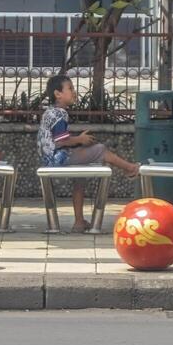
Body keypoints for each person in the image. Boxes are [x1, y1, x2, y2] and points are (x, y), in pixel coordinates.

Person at [37, 73, 138, 233]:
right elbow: (61, 141)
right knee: (100, 150)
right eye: (70, 88)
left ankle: (79, 222)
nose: (74, 92)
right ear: (58, 94)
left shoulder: (50, 111)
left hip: (51, 158)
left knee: (81, 176)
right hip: (58, 158)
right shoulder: (60, 114)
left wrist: (79, 142)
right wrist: (80, 140)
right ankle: (130, 168)